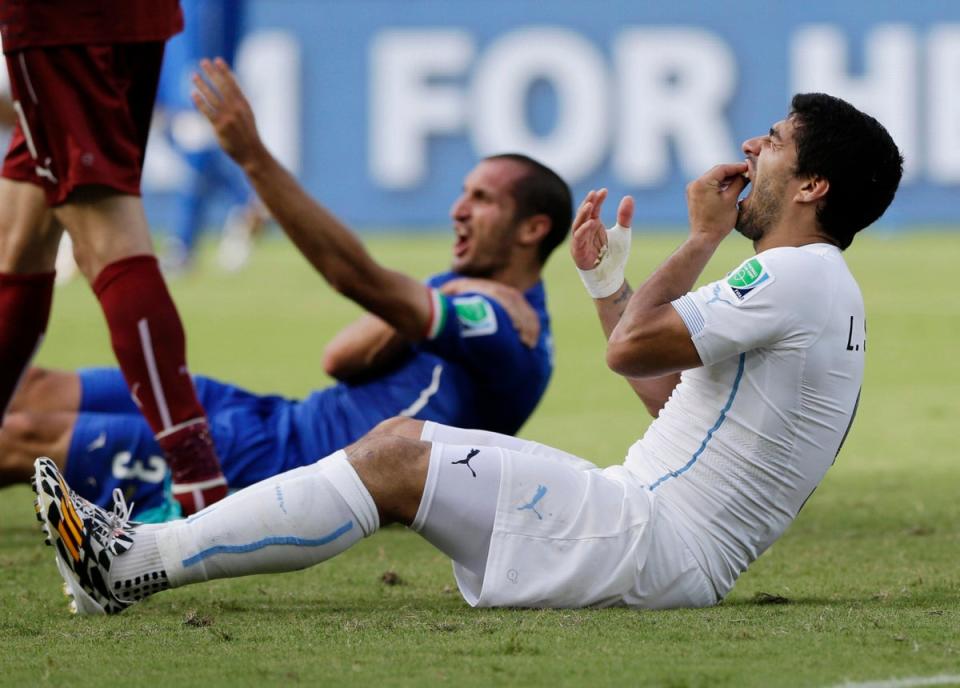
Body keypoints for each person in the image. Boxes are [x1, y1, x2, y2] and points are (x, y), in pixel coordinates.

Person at [35, 88, 902, 615]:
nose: (753, 147)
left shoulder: (794, 277)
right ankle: (134, 560)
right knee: (396, 460)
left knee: (396, 457)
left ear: (813, 185)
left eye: (777, 141)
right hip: (656, 536)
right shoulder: (818, 288)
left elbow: (634, 348)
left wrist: (701, 238)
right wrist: (606, 287)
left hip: (649, 538)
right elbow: (669, 398)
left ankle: (135, 564)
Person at [3, 62, 571, 522]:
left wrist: (253, 157)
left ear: (532, 230)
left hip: (282, 467)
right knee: (29, 387)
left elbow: (355, 279)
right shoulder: (463, 294)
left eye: (482, 200)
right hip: (270, 417)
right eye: (462, 193)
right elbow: (339, 358)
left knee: (25, 436)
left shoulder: (504, 324)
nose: (458, 211)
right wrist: (436, 294)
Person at [0, 1, 228, 515]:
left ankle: (199, 484)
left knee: (104, 226)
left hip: (58, 22)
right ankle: (198, 477)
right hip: (137, 16)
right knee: (21, 233)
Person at [155, 0, 267, 274]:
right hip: (168, 50)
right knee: (183, 141)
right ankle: (244, 201)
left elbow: (209, 26)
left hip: (191, 61)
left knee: (193, 141)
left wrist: (200, 77)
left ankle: (183, 245)